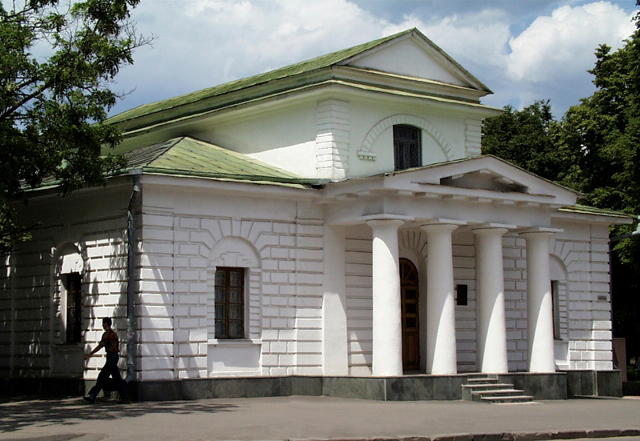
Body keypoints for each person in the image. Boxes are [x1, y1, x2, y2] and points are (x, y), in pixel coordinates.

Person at [83, 317, 131, 404]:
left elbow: (100, 346)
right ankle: (92, 396)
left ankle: (125, 397)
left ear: (106, 324)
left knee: (115, 379)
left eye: (103, 323)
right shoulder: (114, 334)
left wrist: (89, 354)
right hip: (114, 357)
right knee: (103, 377)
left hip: (111, 358)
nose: (102, 324)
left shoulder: (107, 334)